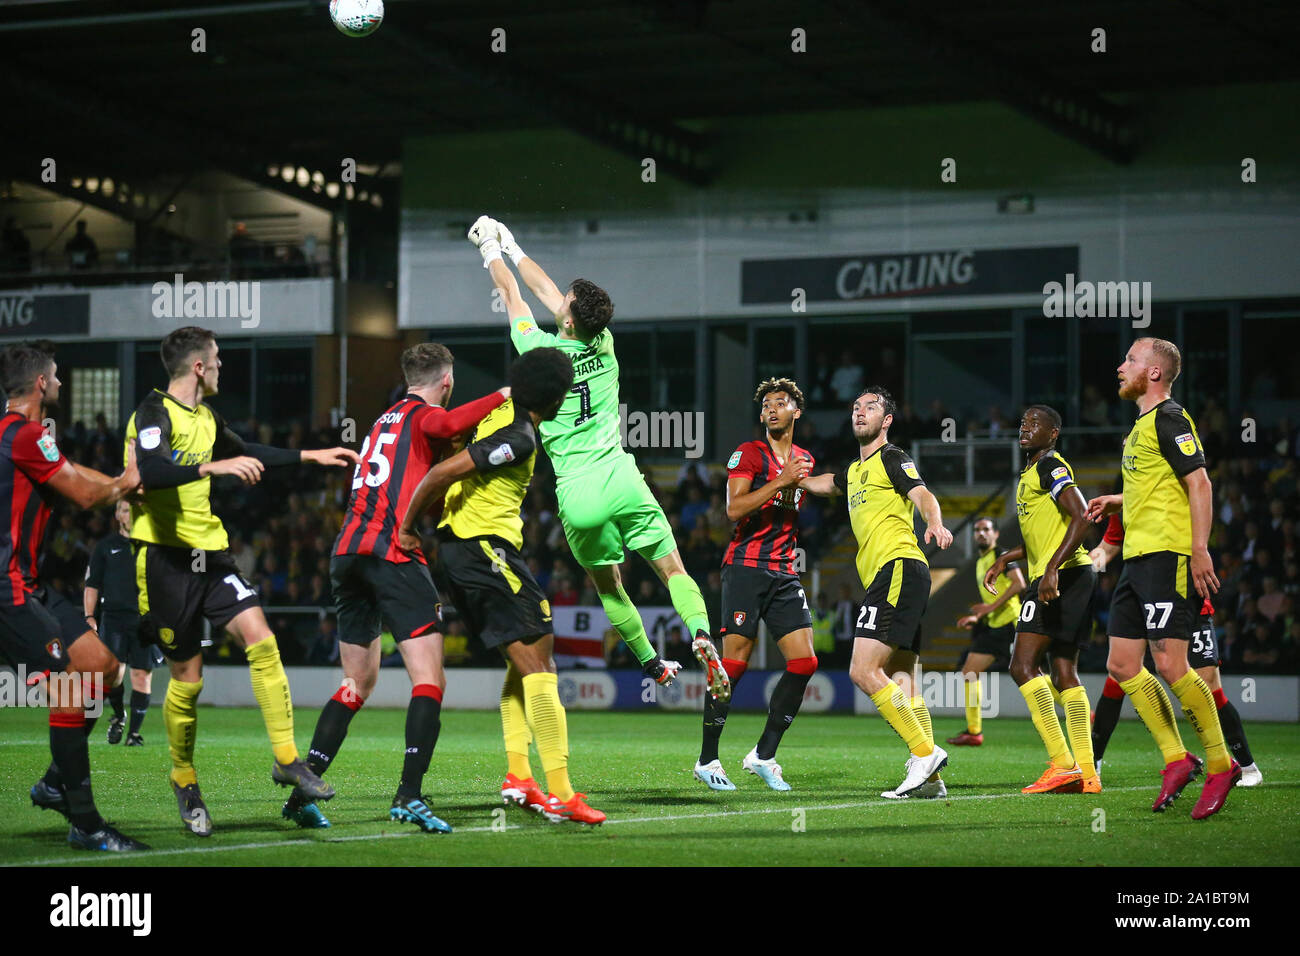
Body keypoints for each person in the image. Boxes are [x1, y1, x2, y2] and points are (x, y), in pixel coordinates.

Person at [466, 215, 728, 699]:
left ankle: (651, 663)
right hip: (622, 478)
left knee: (610, 588)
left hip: (578, 491)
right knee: (674, 572)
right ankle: (701, 634)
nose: (559, 300)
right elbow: (549, 292)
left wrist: (492, 252)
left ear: (567, 320)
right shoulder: (605, 345)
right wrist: (517, 243)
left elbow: (516, 296)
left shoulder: (540, 352)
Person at [126, 326, 359, 837]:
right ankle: (184, 780)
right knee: (188, 680)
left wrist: (312, 456)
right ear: (199, 367)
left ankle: (286, 758)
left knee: (263, 640)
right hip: (164, 561)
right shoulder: (152, 411)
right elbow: (153, 471)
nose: (224, 366)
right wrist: (215, 466)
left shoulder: (208, 418)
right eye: (219, 359)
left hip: (211, 556)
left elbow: (248, 449)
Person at [283, 343, 508, 833]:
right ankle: (409, 794)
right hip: (391, 553)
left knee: (356, 683)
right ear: (446, 382)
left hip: (348, 554)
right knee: (429, 678)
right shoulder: (423, 415)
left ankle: (306, 788)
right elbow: (446, 426)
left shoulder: (382, 420)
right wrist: (501, 396)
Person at [395, 348, 609, 824]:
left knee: (526, 659)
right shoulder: (519, 436)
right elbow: (443, 470)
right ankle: (562, 792)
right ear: (553, 397)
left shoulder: (498, 411)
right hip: (481, 549)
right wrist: (408, 525)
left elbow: (449, 452)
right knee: (541, 661)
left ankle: (519, 777)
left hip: (470, 551)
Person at [1084, 337, 1239, 819]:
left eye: (1129, 360)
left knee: (1172, 666)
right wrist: (1119, 501)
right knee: (1123, 665)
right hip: (1137, 559)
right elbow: (1159, 489)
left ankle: (1222, 763)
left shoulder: (1171, 418)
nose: (1119, 367)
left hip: (1167, 557)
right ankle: (1177, 758)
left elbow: (1200, 482)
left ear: (1154, 373)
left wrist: (1198, 549)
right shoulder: (1140, 428)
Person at [0, 345, 145, 851]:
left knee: (103, 666)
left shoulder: (24, 438)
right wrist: (126, 482)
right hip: (6, 588)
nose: (60, 382)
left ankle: (56, 783)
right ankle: (87, 825)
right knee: (70, 688)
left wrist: (123, 489)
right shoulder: (22, 435)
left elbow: (75, 476)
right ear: (40, 383)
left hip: (29, 582)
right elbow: (83, 494)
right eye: (56, 376)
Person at [802, 387, 953, 798]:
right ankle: (930, 781)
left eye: (870, 407)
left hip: (897, 568)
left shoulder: (892, 457)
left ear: (886, 421)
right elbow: (825, 484)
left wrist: (934, 523)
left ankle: (924, 754)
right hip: (897, 575)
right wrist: (790, 477)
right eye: (855, 406)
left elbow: (922, 494)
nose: (859, 412)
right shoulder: (854, 471)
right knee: (903, 678)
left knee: (862, 671)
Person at [694, 377, 817, 792]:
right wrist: (781, 482)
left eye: (780, 403)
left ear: (796, 412)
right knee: (734, 667)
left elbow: (813, 491)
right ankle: (707, 759)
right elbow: (734, 508)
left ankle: (763, 755)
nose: (770, 408)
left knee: (805, 662)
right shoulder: (748, 454)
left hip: (784, 570)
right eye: (766, 404)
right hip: (746, 566)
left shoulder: (804, 458)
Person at [1089, 513, 1262, 787]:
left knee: (1207, 684)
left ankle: (1246, 765)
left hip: (1186, 597)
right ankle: (1093, 762)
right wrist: (1079, 570)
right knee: (1120, 674)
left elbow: (1199, 501)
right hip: (1143, 598)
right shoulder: (1126, 502)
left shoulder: (1168, 489)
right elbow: (1109, 546)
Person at [983, 406, 1100, 793]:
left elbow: (1083, 516)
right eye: (1022, 422)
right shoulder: (1033, 473)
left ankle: (1063, 764)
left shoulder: (1051, 466)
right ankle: (1087, 773)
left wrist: (1050, 569)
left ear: (1053, 434)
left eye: (1035, 424)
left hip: (1060, 575)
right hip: (1073, 574)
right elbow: (1044, 534)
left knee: (1022, 665)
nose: (1025, 428)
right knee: (1064, 671)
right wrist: (1006, 556)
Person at [84, 499, 162, 747]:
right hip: (114, 619)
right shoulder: (105, 547)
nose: (127, 514)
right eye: (124, 509)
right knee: (113, 677)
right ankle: (119, 715)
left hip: (145, 620)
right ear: (117, 514)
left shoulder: (152, 544)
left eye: (132, 509)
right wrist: (89, 616)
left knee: (141, 675)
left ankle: (134, 734)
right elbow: (92, 583)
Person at [947, 516, 1024, 746]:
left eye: (986, 529)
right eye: (977, 530)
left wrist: (989, 608)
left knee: (1028, 675)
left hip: (1011, 623)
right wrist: (978, 616)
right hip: (994, 624)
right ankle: (974, 731)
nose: (981, 533)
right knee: (970, 671)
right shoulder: (981, 561)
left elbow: (1019, 583)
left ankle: (1077, 706)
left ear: (996, 534)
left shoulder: (1002, 555)